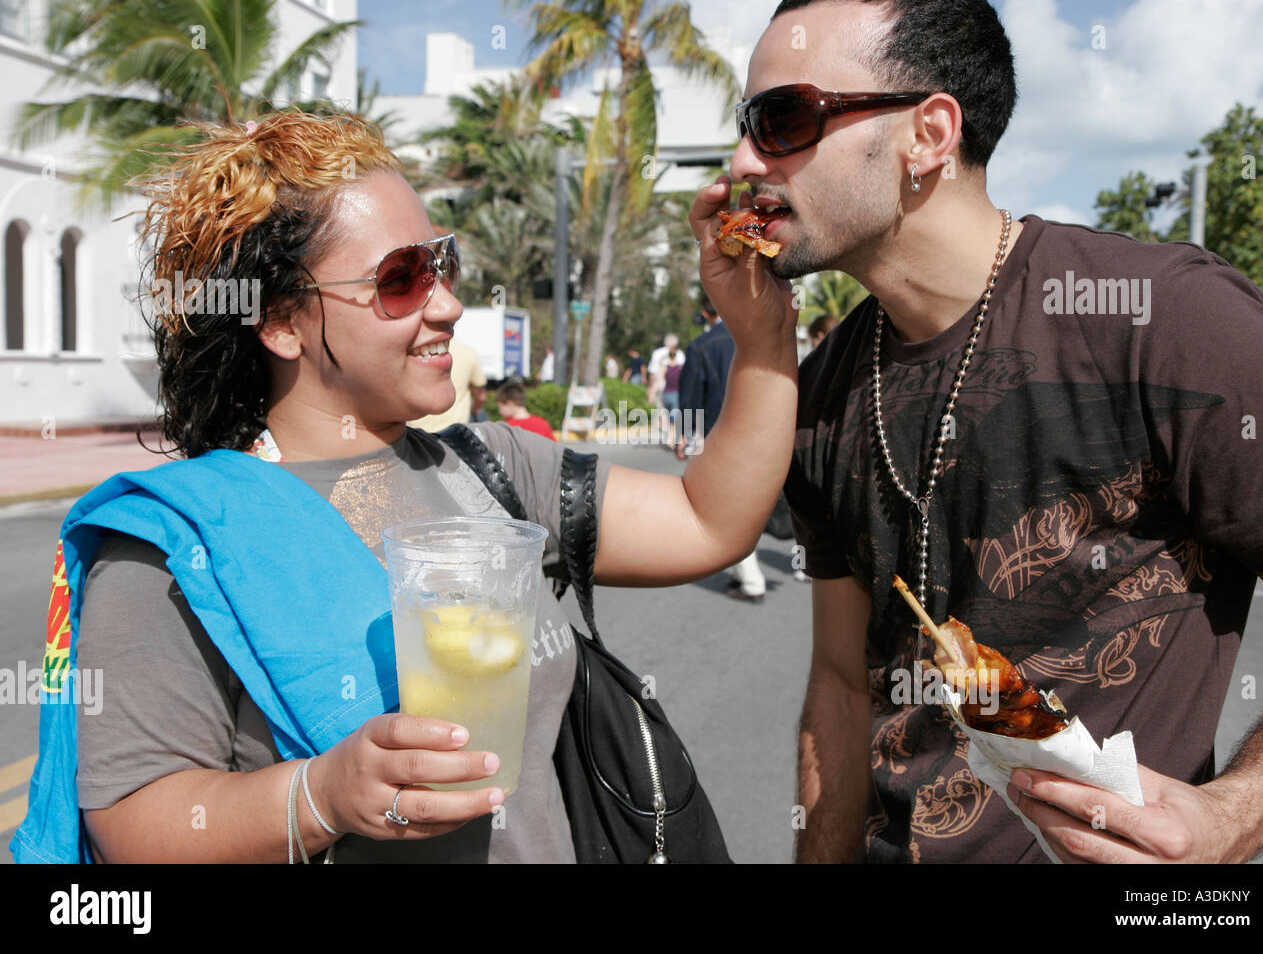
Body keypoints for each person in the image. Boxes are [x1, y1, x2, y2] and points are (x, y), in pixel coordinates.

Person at [11, 109, 798, 863]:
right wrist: (323, 795)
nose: (448, 304)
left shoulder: (494, 465)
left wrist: (759, 326)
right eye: (401, 278)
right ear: (282, 321)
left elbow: (708, 521)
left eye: (442, 263)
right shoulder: (178, 544)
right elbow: (132, 821)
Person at [735, 0, 1263, 863]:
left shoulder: (1169, 322)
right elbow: (844, 687)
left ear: (927, 135)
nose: (744, 161)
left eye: (781, 119)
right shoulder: (820, 390)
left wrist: (1234, 815)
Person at [678, 295, 768, 602]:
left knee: (728, 510)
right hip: (767, 434)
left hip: (719, 438)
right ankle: (745, 573)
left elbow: (690, 401)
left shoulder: (702, 346)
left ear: (706, 312)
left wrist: (684, 437)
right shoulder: (763, 335)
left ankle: (752, 581)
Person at [409, 337, 486, 432]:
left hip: (415, 432)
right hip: (454, 433)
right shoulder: (469, 352)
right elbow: (481, 396)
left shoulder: (410, 352)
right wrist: (475, 409)